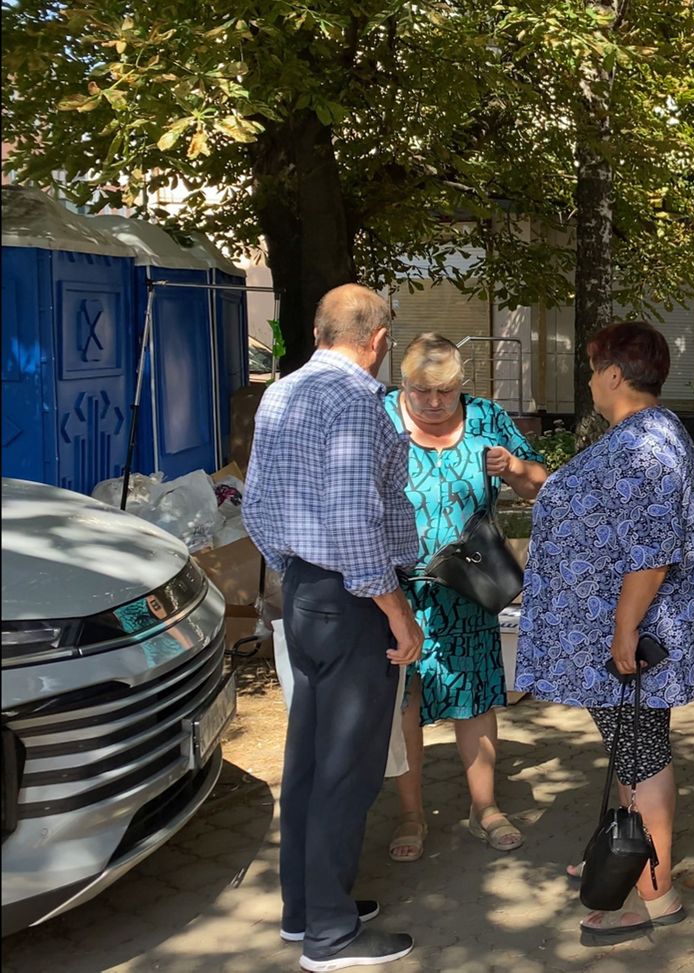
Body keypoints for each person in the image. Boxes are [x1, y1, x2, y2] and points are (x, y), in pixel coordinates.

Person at [514, 320, 694, 946]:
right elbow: (605, 511)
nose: (590, 382)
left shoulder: (644, 445)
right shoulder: (642, 436)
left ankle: (655, 897)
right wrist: (537, 485)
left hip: (633, 640)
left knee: (641, 754)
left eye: (593, 368)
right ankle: (627, 857)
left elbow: (650, 554)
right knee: (634, 749)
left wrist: (625, 631)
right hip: (621, 637)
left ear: (614, 375)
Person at [243, 284, 425, 972]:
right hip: (354, 602)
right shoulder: (353, 401)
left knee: (311, 760)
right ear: (377, 339)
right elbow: (353, 522)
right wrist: (394, 611)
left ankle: (307, 906)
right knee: (346, 769)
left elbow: (256, 506)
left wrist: (297, 571)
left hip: (307, 593)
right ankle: (329, 933)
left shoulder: (280, 393)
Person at [380, 333, 549, 863]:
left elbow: (542, 484)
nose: (433, 402)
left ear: (462, 386)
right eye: (421, 391)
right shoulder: (378, 415)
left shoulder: (486, 418)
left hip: (469, 587)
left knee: (475, 697)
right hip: (397, 592)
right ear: (402, 383)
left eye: (446, 392)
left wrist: (516, 469)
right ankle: (411, 814)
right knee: (405, 702)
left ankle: (485, 806)